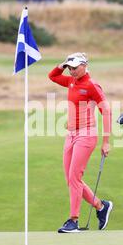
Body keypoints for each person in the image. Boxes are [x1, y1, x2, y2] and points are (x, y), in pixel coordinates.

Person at [48, 52, 113, 233]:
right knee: (71, 180)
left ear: (85, 66)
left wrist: (106, 141)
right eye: (70, 68)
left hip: (86, 135)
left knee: (75, 178)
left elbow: (106, 111)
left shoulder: (92, 86)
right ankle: (101, 206)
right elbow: (52, 76)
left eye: (75, 67)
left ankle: (73, 220)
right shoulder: (70, 81)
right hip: (71, 135)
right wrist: (63, 64)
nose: (72, 71)